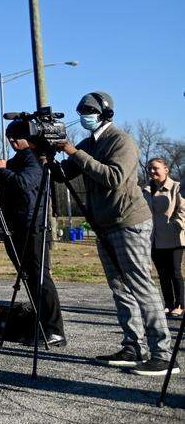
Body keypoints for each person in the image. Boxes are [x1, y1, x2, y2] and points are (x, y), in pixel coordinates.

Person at [58, 91, 178, 377]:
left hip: (129, 221)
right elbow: (62, 174)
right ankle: (134, 347)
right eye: (81, 110)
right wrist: (46, 154)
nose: (84, 115)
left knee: (141, 286)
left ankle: (162, 354)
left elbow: (113, 177)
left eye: (89, 110)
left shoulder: (121, 141)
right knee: (120, 288)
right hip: (105, 224)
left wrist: (74, 152)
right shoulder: (89, 144)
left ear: (106, 113)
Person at [0, 118, 66, 346]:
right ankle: (41, 324)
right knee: (31, 279)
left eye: (15, 138)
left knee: (40, 277)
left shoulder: (33, 159)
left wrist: (2, 171)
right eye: (10, 139)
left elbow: (24, 182)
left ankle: (54, 330)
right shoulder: (20, 158)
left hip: (32, 225)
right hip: (20, 225)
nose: (12, 142)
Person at [144, 157, 185, 318]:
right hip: (154, 238)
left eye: (155, 168)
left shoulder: (177, 187)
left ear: (166, 169)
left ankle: (181, 305)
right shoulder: (146, 190)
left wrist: (175, 226)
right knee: (162, 274)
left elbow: (182, 211)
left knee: (175, 272)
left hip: (173, 237)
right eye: (149, 168)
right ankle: (168, 304)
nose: (152, 171)